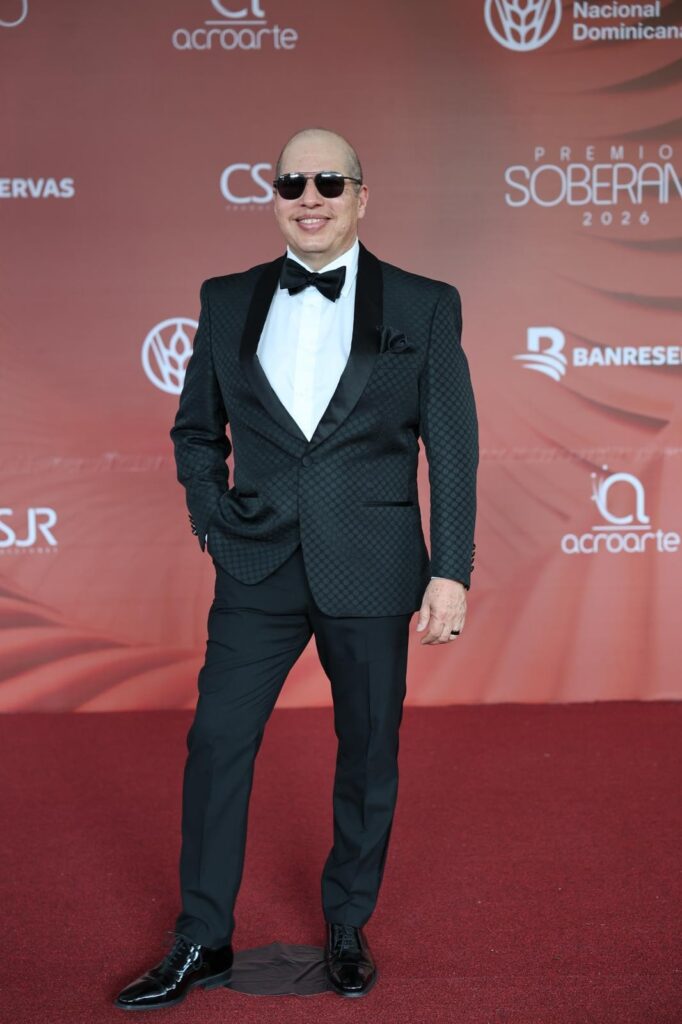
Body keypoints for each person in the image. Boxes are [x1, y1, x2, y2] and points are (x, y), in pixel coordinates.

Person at [114, 127, 478, 1010]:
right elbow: (195, 429)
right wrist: (212, 519)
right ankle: (202, 937)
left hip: (374, 563)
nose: (309, 197)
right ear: (274, 197)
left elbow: (453, 448)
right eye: (291, 183)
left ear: (361, 197)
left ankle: (347, 922)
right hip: (257, 563)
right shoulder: (227, 298)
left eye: (328, 182)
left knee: (368, 751)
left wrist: (451, 569)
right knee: (216, 743)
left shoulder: (425, 304)